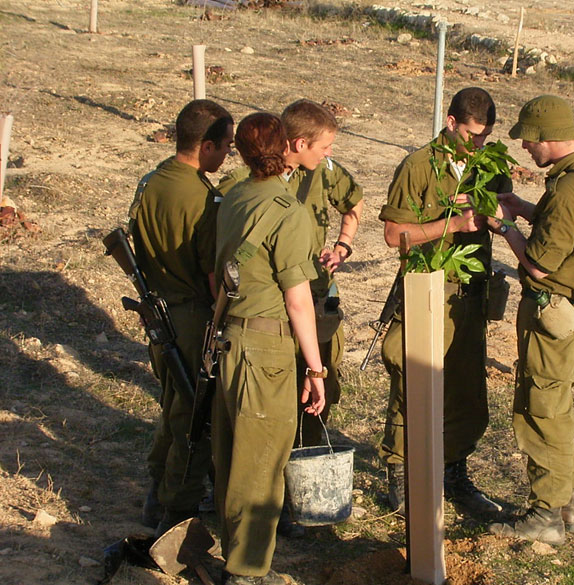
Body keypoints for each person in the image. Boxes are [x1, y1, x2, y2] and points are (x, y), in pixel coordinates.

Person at [489, 95, 574, 545]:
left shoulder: (566, 189)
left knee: (540, 412)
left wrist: (504, 227)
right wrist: (522, 206)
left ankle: (545, 515)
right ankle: (565, 504)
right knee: (560, 409)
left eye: (528, 139)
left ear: (547, 136)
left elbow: (540, 265)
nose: (525, 148)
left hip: (553, 315)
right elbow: (570, 227)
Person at [378, 87, 512, 518]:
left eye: (485, 136)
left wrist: (497, 218)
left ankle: (453, 469)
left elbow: (505, 210)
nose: (478, 144)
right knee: (411, 378)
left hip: (471, 294)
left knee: (466, 386)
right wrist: (454, 223)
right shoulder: (419, 166)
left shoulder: (488, 165)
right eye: (471, 135)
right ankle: (400, 470)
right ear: (450, 122)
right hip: (427, 288)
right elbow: (393, 233)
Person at [212, 111, 326, 585]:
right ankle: (247, 570)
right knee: (261, 462)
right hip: (267, 348)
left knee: (233, 452)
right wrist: (316, 370)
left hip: (229, 337)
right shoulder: (286, 211)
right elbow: (298, 301)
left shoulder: (234, 197)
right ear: (285, 150)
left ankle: (236, 549)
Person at [218, 99, 364, 449]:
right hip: (271, 309)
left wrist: (342, 246)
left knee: (318, 392)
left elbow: (355, 204)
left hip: (313, 296)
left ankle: (308, 454)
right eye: (325, 146)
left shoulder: (325, 171)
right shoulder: (245, 181)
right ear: (300, 144)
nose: (329, 153)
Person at [128, 99, 234, 537]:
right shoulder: (205, 199)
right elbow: (213, 278)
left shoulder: (151, 181)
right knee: (195, 419)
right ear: (206, 146)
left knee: (174, 404)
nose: (228, 153)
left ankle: (157, 489)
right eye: (225, 145)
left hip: (159, 315)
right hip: (192, 319)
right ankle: (176, 509)